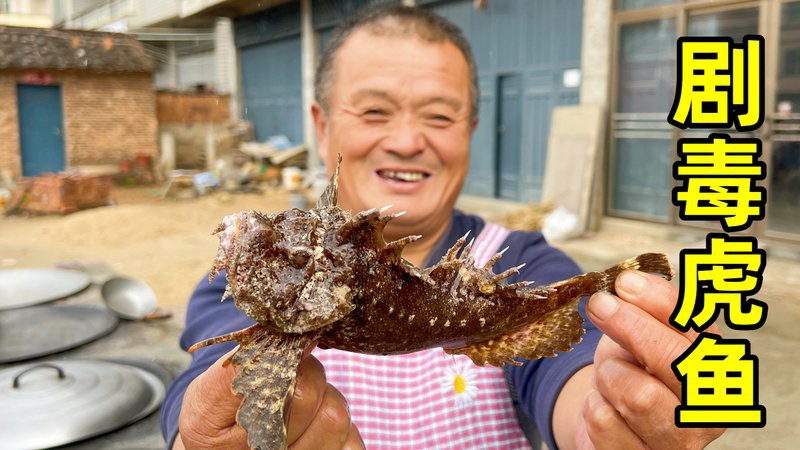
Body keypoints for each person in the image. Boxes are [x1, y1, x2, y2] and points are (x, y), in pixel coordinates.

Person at [161, 6, 725, 450]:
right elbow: (203, 385)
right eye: (374, 111)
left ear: (471, 131)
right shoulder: (229, 292)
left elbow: (572, 376)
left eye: (438, 115)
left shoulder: (524, 261)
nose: (407, 140)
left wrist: (614, 417)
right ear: (321, 122)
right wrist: (203, 437)